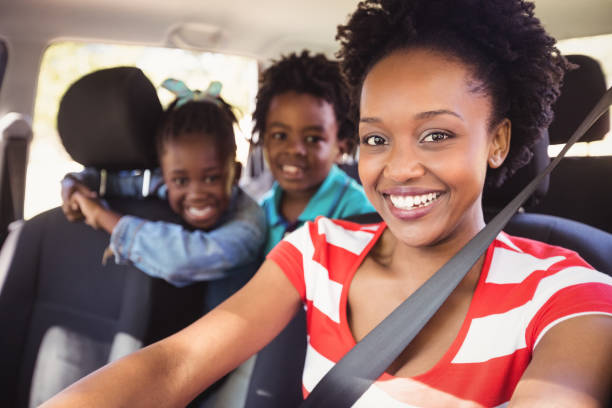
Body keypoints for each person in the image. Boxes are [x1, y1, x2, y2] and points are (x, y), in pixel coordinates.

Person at [42, 0, 612, 407]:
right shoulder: (317, 250)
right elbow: (176, 364)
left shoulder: (569, 290)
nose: (400, 168)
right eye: (376, 138)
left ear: (498, 141)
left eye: (436, 135)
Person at [66, 78, 266, 312]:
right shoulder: (158, 184)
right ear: (164, 176)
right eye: (181, 181)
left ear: (235, 175)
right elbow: (105, 181)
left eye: (211, 178)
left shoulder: (249, 225)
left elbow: (183, 259)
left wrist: (101, 215)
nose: (196, 193)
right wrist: (73, 184)